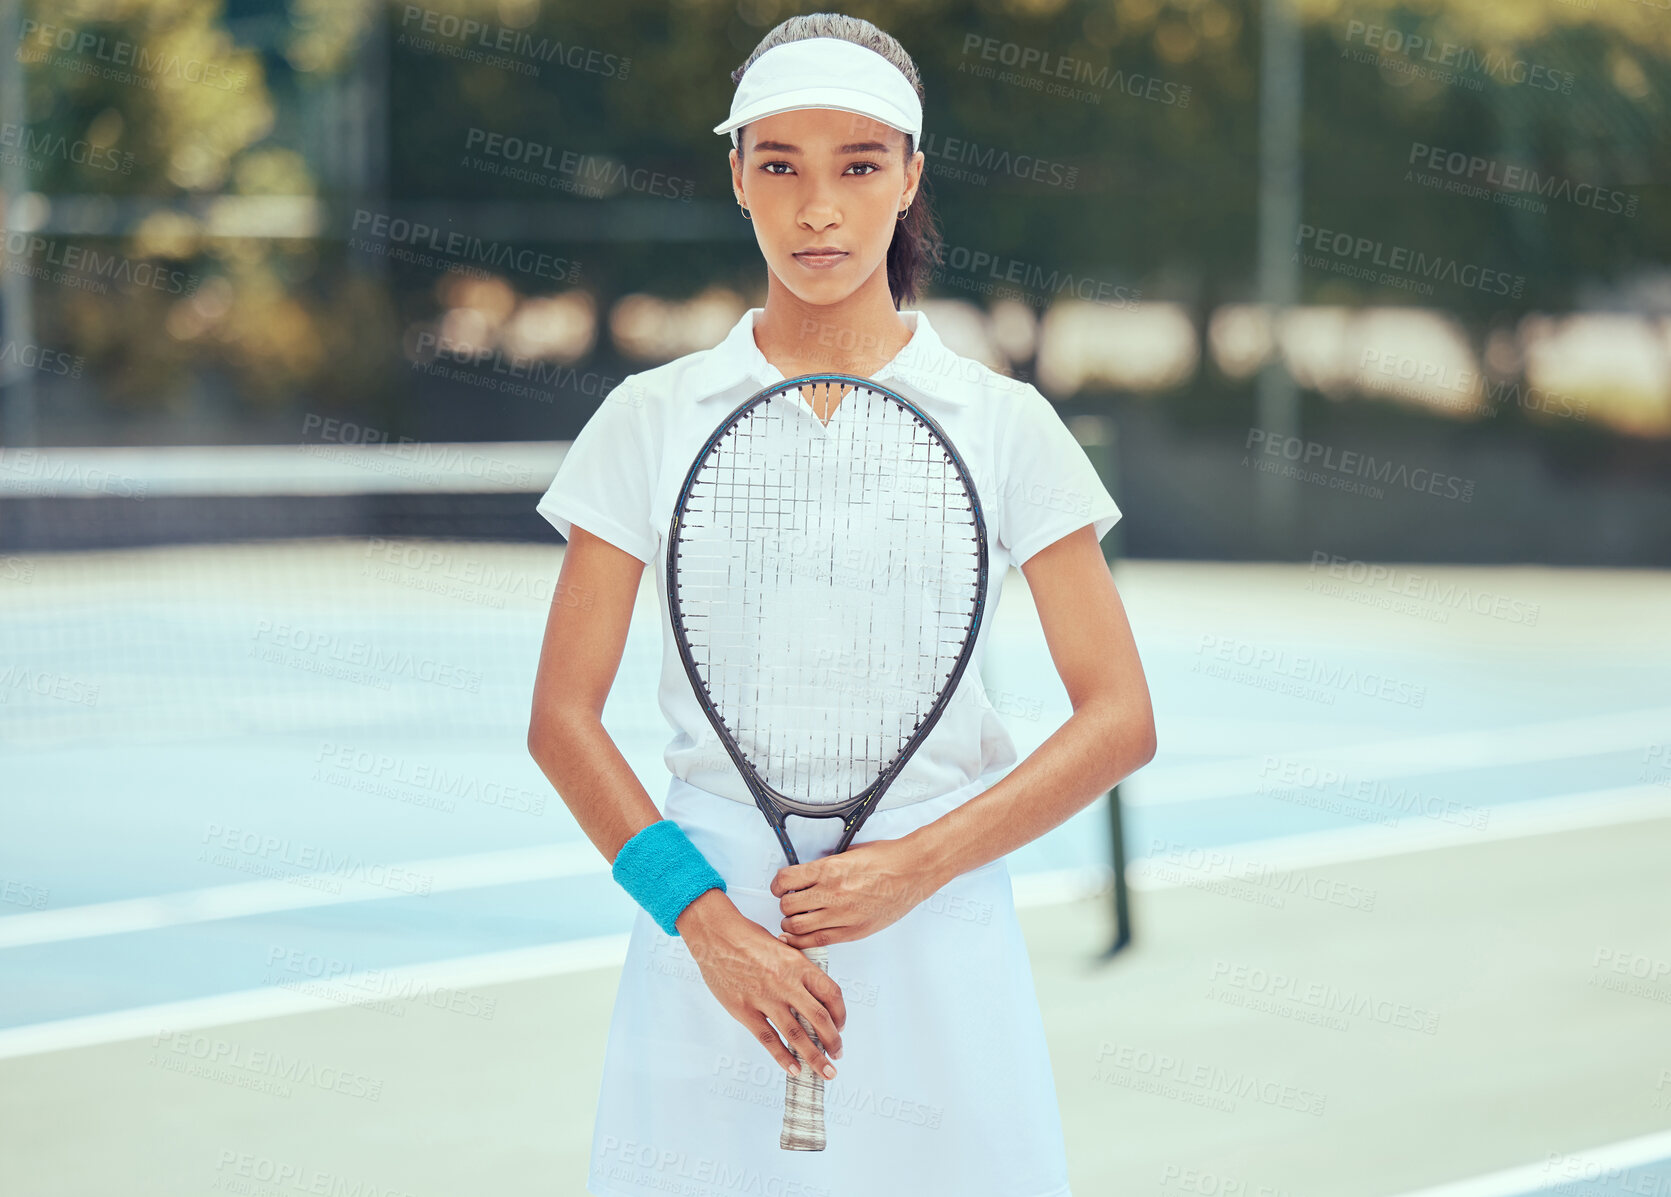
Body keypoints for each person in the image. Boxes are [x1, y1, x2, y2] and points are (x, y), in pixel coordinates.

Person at [527, 13, 1156, 1196]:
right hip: (709, 952)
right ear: (737, 178)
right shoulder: (650, 418)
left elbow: (1120, 715)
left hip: (940, 946)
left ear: (911, 176)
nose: (819, 209)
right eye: (781, 166)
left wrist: (914, 866)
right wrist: (705, 925)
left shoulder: (1005, 425)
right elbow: (562, 716)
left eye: (859, 166)